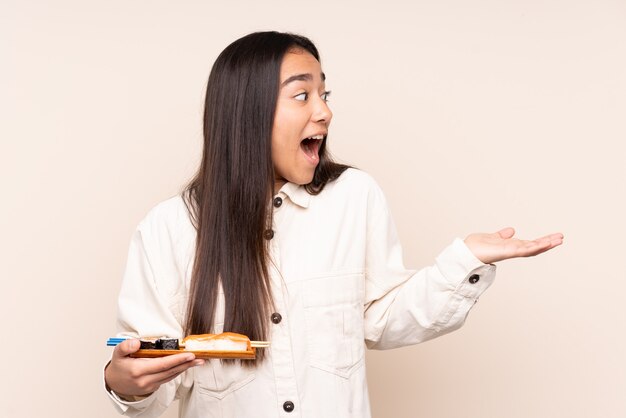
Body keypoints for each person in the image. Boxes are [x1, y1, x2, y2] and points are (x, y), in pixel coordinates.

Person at [103, 31, 563, 418]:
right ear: (247, 113)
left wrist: (466, 261)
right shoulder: (169, 229)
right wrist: (126, 383)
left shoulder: (354, 197)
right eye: (302, 95)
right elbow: (155, 382)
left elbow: (381, 318)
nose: (323, 112)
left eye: (324, 94)